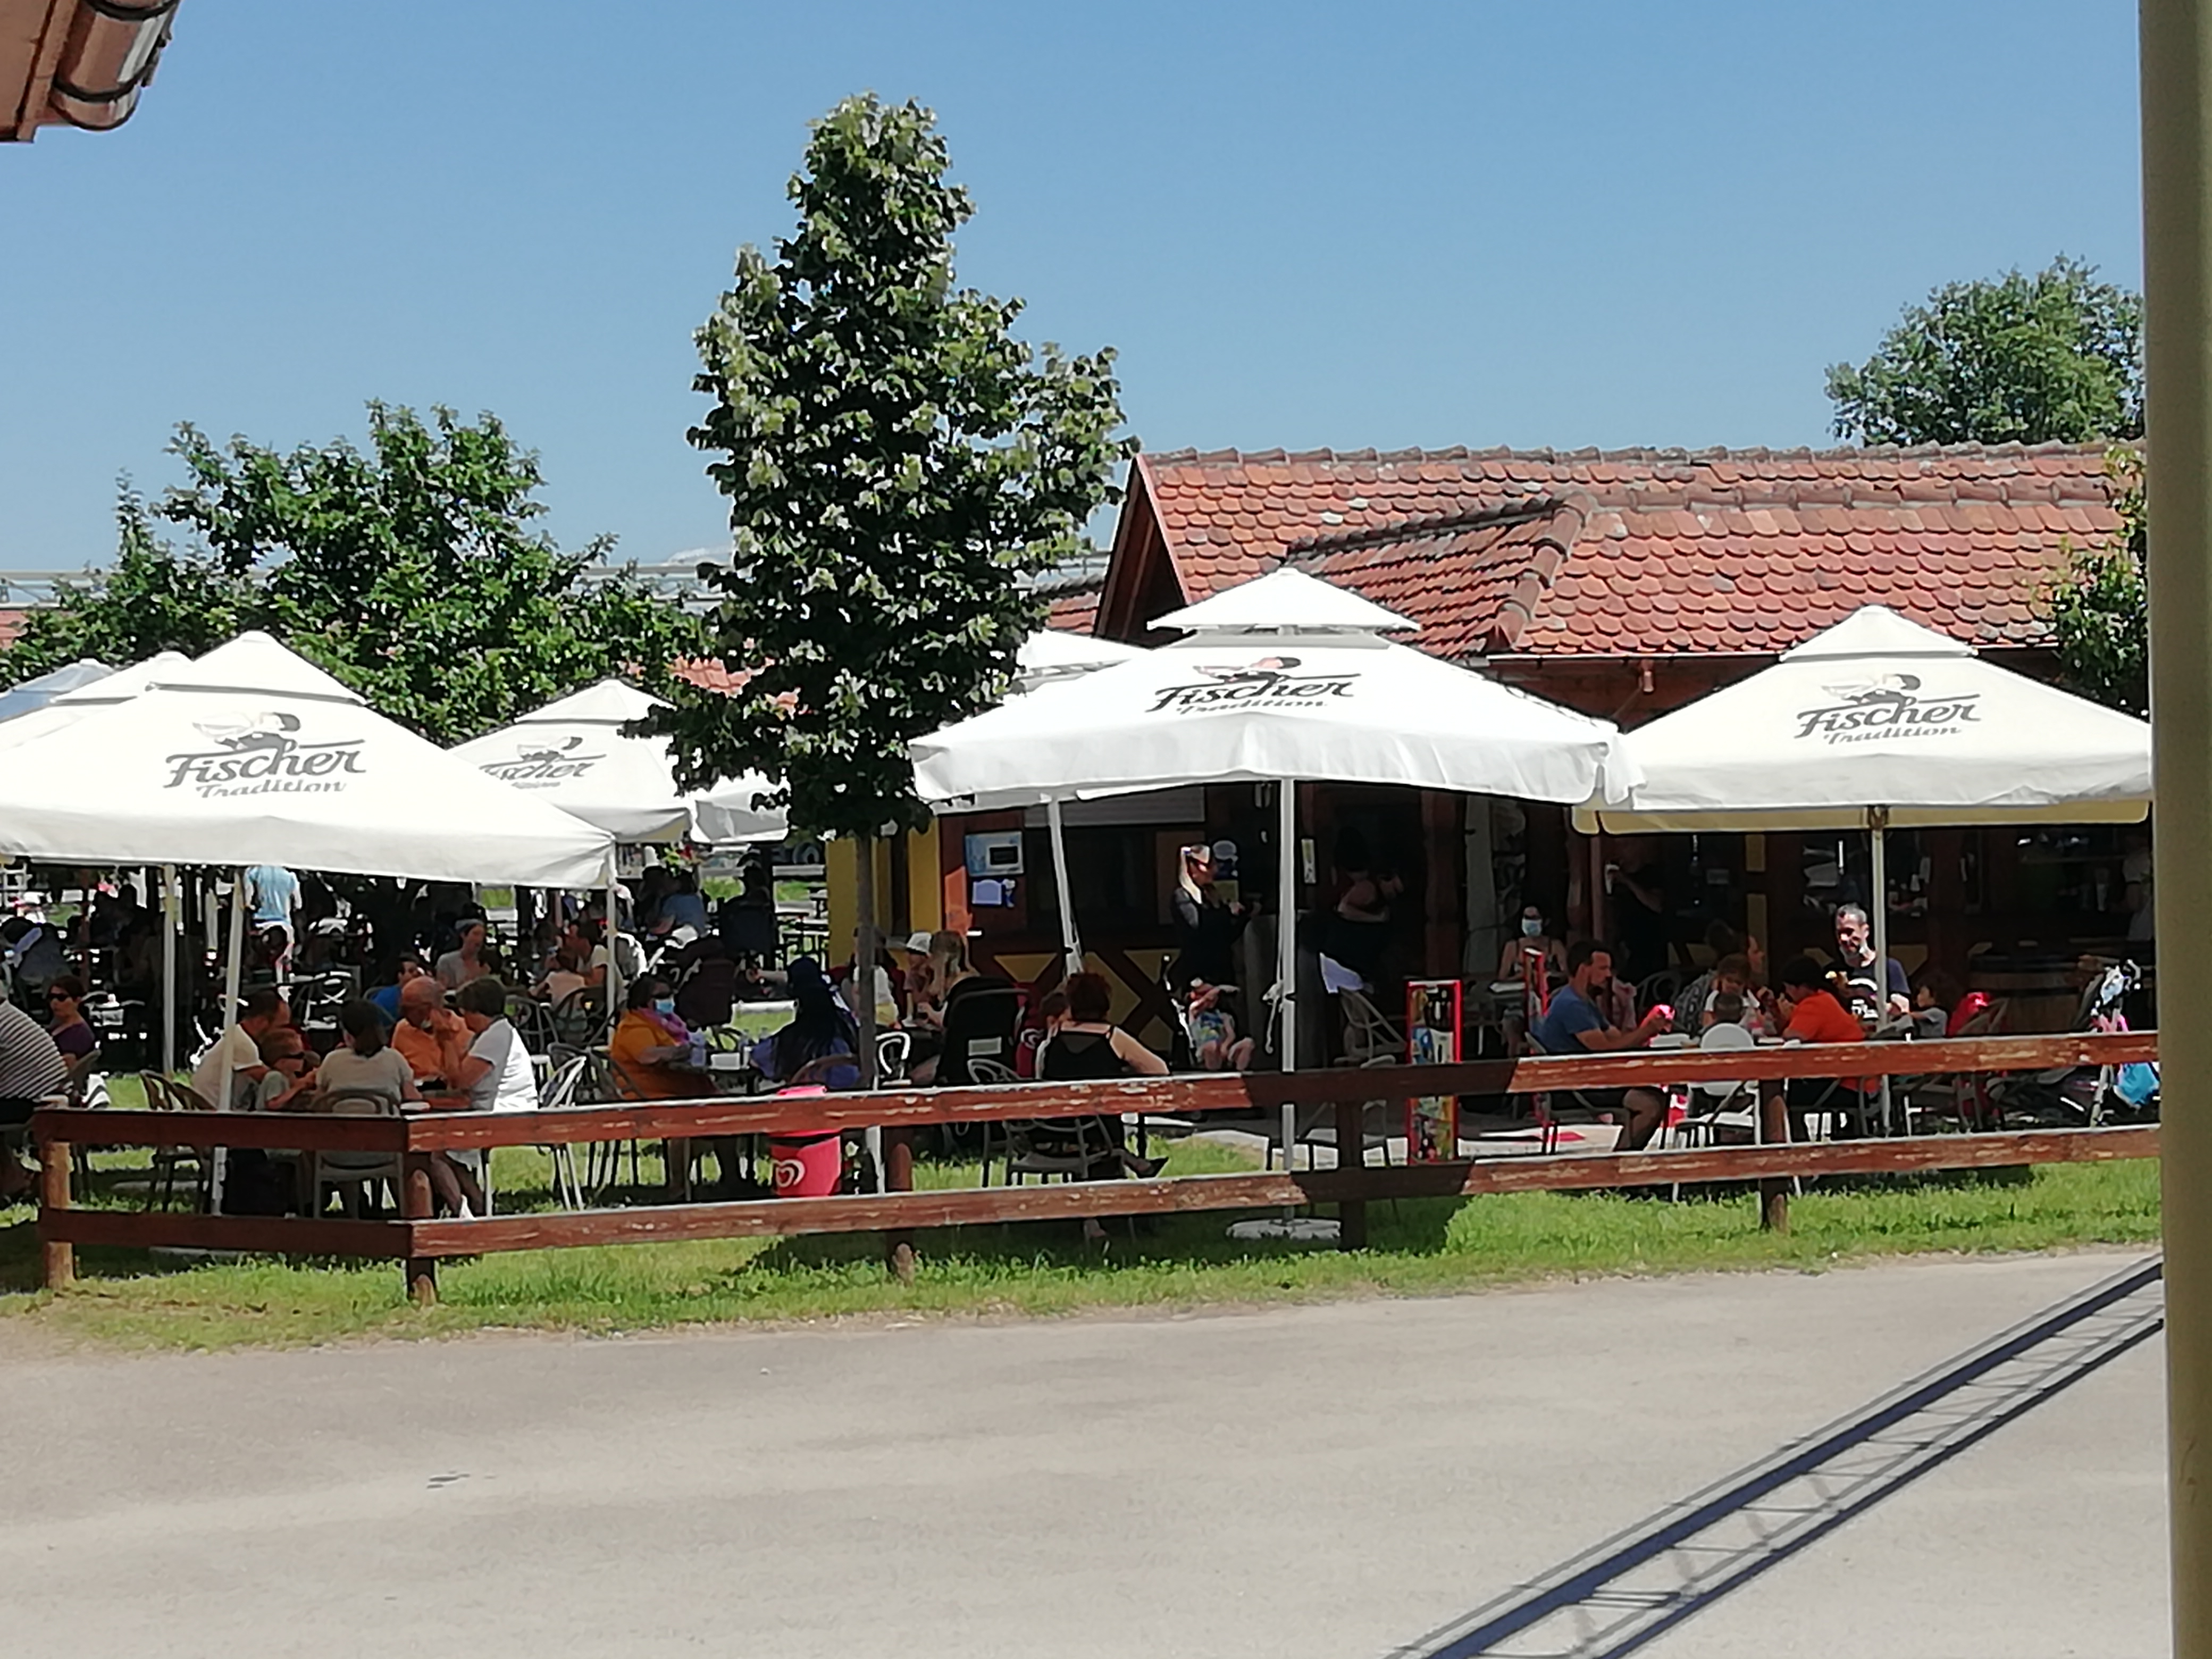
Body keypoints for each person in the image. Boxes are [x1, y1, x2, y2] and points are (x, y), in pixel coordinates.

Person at [1528, 940, 1670, 1151]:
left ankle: (1622, 1162)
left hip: (1594, 1079)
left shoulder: (1584, 1002)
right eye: (1603, 968)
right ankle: (1620, 1164)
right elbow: (1603, 1048)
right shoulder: (1571, 1005)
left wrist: (1646, 1029)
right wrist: (1646, 1030)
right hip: (1577, 1086)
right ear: (1584, 969)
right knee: (1651, 1105)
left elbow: (1617, 1038)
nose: (1608, 975)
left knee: (1658, 1099)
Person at [1034, 971, 1168, 1191]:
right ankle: (1130, 1164)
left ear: (1072, 1004)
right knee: (1102, 1121)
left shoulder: (1054, 1036)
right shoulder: (1112, 1036)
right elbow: (1160, 1070)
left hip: (1055, 1133)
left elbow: (1042, 1076)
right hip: (1100, 1135)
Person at [443, 976, 541, 1216]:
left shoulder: (495, 1037)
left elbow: (460, 1081)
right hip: (498, 1108)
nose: (463, 1019)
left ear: (477, 1012)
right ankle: (473, 1202)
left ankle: (467, 1208)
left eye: (465, 1013)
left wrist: (446, 1040)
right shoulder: (493, 1033)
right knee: (440, 1147)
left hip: (507, 1113)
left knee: (437, 1151)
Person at [1772, 954, 1866, 1143]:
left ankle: (1791, 1140)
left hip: (1843, 1085)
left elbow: (1793, 1035)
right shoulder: (1826, 998)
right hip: (1857, 1080)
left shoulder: (1813, 1005)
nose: (1787, 993)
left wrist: (1784, 1014)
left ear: (1801, 987)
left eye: (1788, 988)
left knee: (1783, 1093)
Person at [753, 958, 860, 1090]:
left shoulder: (791, 1038)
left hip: (803, 1098)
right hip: (849, 1095)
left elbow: (759, 1058)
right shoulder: (846, 1025)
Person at [0, 998, 66, 1200]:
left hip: (37, 1102)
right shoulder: (9, 1015)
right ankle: (16, 1178)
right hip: (48, 1094)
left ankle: (16, 1178)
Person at [189, 987, 289, 1110]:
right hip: (212, 1112)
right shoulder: (242, 1045)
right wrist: (301, 1082)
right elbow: (271, 1080)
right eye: (281, 1026)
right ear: (261, 1022)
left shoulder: (238, 1037)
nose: (286, 1032)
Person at [1169, 844, 1249, 990]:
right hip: (1198, 973)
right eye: (1209, 866)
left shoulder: (1212, 895)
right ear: (1192, 868)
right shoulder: (1182, 896)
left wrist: (1242, 917)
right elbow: (1197, 925)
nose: (1215, 870)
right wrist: (1227, 912)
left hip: (1222, 971)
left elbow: (1225, 935)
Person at [314, 1000, 421, 1109]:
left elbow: (319, 1102)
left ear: (348, 1035)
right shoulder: (395, 1059)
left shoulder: (331, 1060)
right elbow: (412, 1099)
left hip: (340, 1120)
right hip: (385, 1120)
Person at [609, 978, 697, 1100]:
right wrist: (677, 1051)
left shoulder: (665, 1023)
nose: (667, 999)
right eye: (661, 996)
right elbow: (646, 1055)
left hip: (668, 1084)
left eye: (670, 995)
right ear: (643, 999)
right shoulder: (633, 1026)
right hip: (643, 1091)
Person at [1832, 903, 1909, 1027]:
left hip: (1882, 1035)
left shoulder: (1889, 967)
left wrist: (1868, 996)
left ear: (1865, 931)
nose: (1843, 939)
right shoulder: (1832, 972)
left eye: (1849, 932)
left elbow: (1902, 1011)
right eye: (1839, 933)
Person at [393, 975, 474, 1084]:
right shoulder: (402, 1030)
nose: (408, 1015)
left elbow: (460, 1080)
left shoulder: (466, 1030)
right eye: (404, 1010)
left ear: (434, 1007)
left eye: (413, 1010)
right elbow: (395, 1071)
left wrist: (446, 1041)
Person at [1184, 979, 1254, 1073]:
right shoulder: (1194, 1014)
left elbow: (1231, 1035)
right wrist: (1218, 989)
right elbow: (1197, 1005)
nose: (1212, 999)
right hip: (1204, 1051)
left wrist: (1225, 1045)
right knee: (1212, 1045)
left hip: (1223, 1049)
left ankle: (1240, 1074)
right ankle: (1213, 1075)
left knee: (1248, 1043)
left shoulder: (1224, 1016)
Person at [252, 1026, 320, 1112]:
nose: (303, 1060)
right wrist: (298, 1087)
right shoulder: (275, 1077)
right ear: (282, 1062)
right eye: (299, 1056)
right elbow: (273, 1104)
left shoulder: (288, 1077)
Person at [1496, 907, 1568, 986]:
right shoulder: (1512, 947)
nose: (1530, 922)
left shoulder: (1555, 945)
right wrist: (1521, 977)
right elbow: (1502, 979)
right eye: (1527, 918)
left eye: (1535, 918)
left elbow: (1567, 974)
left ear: (1545, 921)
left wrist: (1549, 975)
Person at [43, 975, 97, 1062]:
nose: (55, 1002)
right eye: (52, 997)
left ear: (77, 1001)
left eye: (61, 998)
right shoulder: (56, 1024)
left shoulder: (80, 1034)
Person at [366, 955, 430, 1026]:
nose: (416, 974)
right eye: (411, 971)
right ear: (400, 976)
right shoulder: (388, 997)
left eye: (417, 971)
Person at [435, 920, 491, 992]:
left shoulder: (484, 962)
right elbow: (443, 989)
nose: (479, 940)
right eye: (475, 934)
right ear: (464, 935)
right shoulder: (447, 961)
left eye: (482, 935)